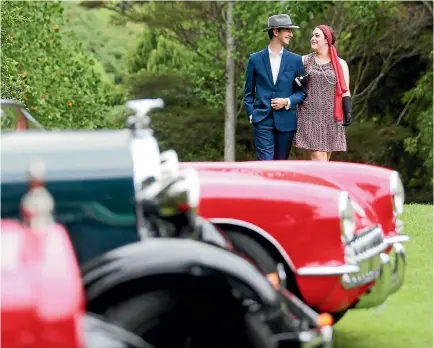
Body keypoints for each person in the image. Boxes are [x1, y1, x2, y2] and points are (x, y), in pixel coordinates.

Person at [244, 14, 306, 161]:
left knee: (280, 167)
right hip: (262, 121)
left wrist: (287, 101)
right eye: (288, 30)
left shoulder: (296, 60)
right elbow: (248, 93)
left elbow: (302, 92)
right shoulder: (255, 59)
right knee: (265, 165)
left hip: (286, 122)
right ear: (276, 32)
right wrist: (252, 115)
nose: (291, 34)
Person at [293, 25, 352, 161]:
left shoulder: (341, 64)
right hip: (309, 118)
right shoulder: (304, 61)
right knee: (320, 161)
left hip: (331, 118)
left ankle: (316, 183)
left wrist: (348, 111)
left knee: (324, 164)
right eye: (312, 35)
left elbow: (346, 90)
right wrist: (298, 81)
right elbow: (291, 84)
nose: (312, 38)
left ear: (327, 39)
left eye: (317, 35)